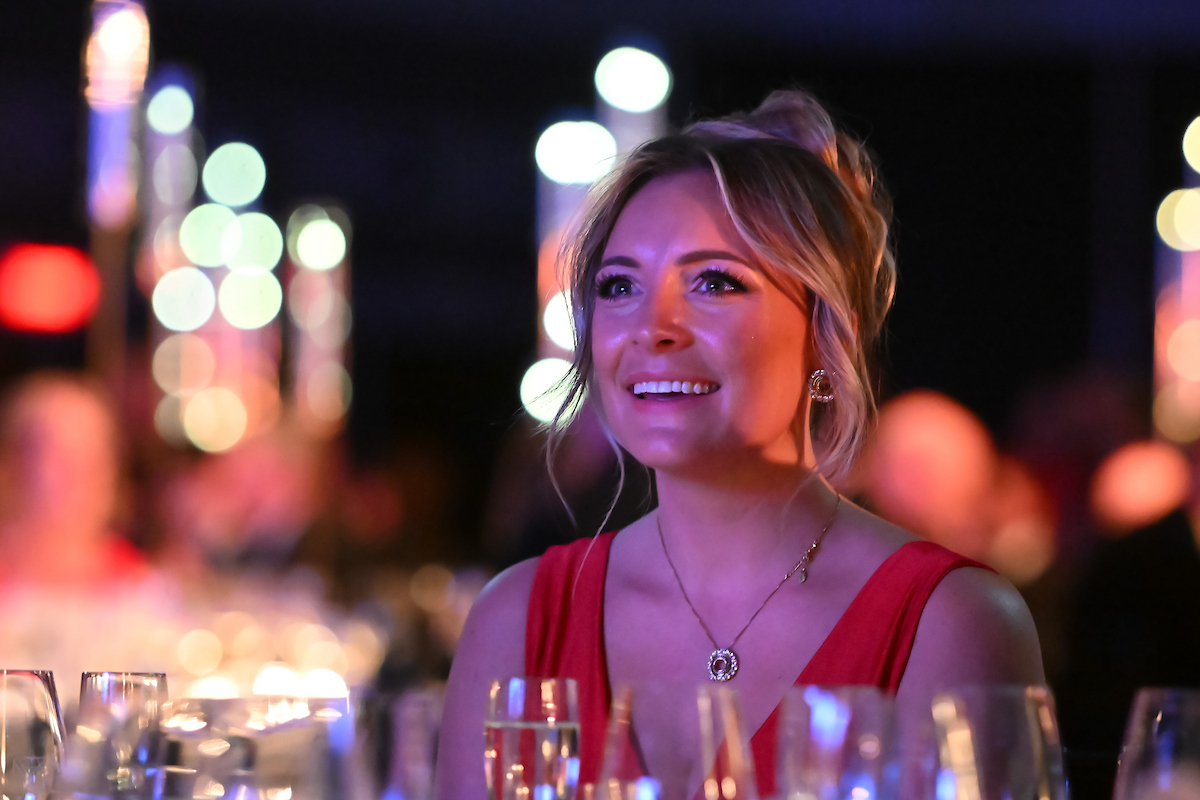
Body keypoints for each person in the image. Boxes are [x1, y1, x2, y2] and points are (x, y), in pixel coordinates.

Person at [437, 90, 1044, 798]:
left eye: (715, 282)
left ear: (827, 331)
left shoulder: (949, 622)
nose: (652, 328)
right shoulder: (516, 623)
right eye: (619, 286)